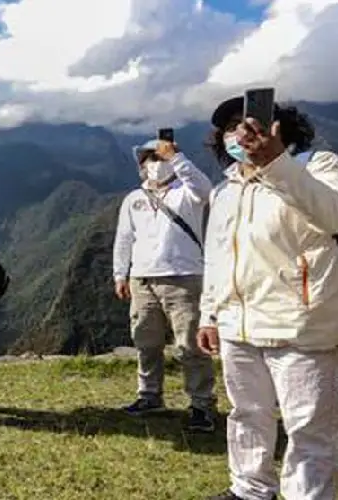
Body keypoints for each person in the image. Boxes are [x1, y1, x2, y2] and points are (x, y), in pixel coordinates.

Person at [198, 96, 338, 500]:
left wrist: (276, 164)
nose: (238, 134)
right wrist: (210, 314)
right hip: (238, 322)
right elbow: (218, 254)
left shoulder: (317, 166)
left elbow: (332, 214)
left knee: (309, 429)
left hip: (301, 322)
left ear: (278, 128)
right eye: (229, 128)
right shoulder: (226, 190)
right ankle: (250, 490)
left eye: (248, 123)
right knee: (246, 414)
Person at [112, 135, 218, 432]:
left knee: (190, 346)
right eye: (149, 159)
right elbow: (124, 238)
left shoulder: (187, 193)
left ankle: (201, 404)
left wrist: (177, 159)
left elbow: (206, 189)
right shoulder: (134, 199)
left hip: (183, 277)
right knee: (146, 341)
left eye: (159, 158)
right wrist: (121, 274)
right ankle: (149, 395)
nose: (154, 164)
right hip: (142, 279)